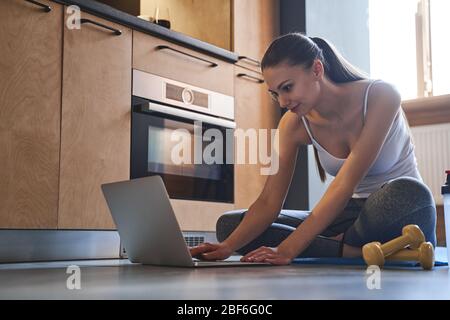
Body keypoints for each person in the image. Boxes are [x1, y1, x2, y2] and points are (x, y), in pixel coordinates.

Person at [190, 33, 436, 265]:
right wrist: (227, 247)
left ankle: (339, 246)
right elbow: (269, 201)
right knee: (230, 226)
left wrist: (287, 249)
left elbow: (344, 185)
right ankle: (357, 251)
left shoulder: (381, 95)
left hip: (399, 211)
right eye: (275, 94)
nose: (284, 102)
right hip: (348, 216)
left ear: (317, 69)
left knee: (407, 192)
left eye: (288, 87)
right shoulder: (294, 124)